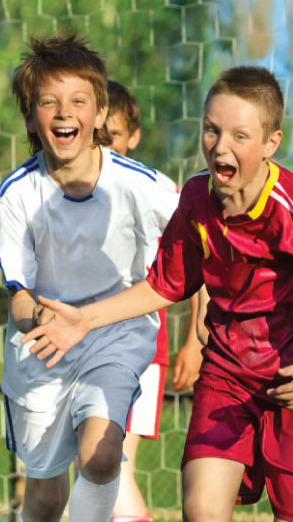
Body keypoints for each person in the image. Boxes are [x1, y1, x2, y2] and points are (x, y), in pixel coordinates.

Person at [21, 66, 293, 522]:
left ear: (271, 143)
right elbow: (163, 285)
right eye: (212, 129)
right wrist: (84, 319)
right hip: (228, 375)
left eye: (239, 136)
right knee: (202, 510)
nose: (220, 146)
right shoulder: (195, 198)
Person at [0, 31, 180, 522]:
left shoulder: (147, 188)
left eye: (78, 100)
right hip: (44, 348)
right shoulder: (16, 196)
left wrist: (202, 332)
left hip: (115, 337)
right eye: (48, 102)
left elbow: (195, 258)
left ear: (99, 113)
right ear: (32, 117)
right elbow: (18, 301)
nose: (63, 112)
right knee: (47, 497)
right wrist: (41, 317)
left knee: (100, 456)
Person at [102, 80, 205, 522]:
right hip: (82, 348)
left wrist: (195, 341)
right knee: (95, 474)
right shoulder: (68, 191)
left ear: (134, 136)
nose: (104, 144)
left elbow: (199, 262)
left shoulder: (151, 192)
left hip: (139, 351)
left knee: (111, 469)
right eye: (96, 134)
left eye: (114, 135)